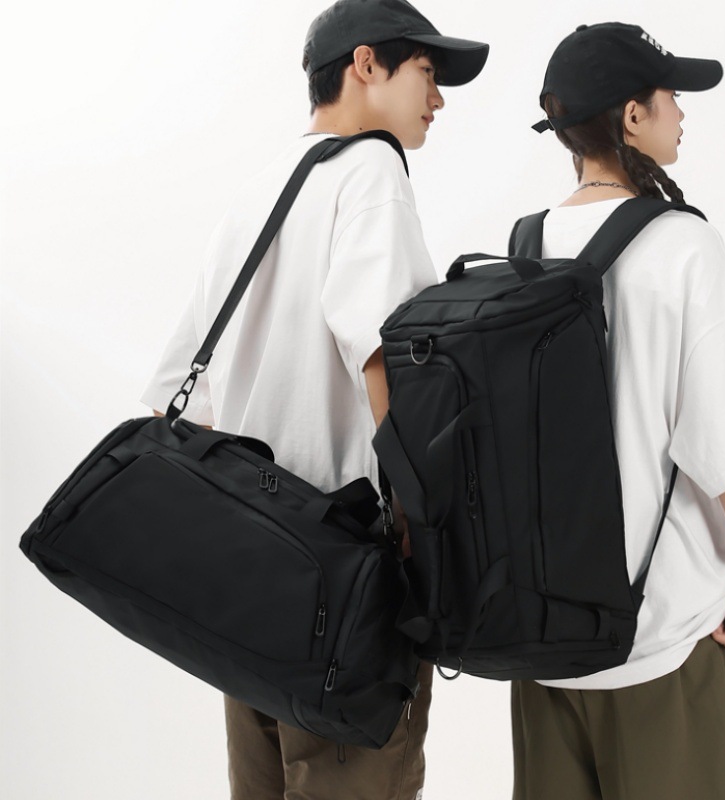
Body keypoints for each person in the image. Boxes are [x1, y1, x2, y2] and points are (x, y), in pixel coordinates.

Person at [139, 1, 489, 798]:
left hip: (248, 572)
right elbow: (384, 354)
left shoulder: (259, 191)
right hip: (345, 573)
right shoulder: (371, 170)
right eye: (427, 72)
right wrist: (422, 523)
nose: (438, 98)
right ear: (366, 64)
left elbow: (176, 400)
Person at [511, 22, 725, 800]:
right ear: (633, 116)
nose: (682, 113)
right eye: (671, 97)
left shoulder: (527, 247)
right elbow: (722, 433)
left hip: (544, 641)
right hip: (664, 635)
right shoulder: (683, 245)